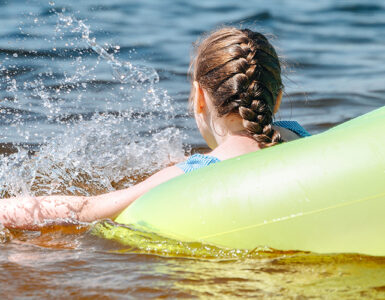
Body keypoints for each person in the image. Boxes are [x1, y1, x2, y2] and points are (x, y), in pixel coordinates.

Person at [0, 27, 310, 230]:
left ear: (199, 98)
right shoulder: (300, 137)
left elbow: (82, 210)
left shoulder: (197, 172)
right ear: (278, 98)